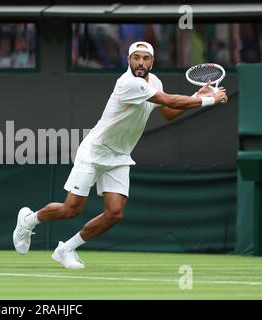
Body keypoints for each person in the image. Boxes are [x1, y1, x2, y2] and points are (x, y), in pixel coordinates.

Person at [13, 41, 228, 269]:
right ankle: (28, 221)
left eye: (145, 58)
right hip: (94, 152)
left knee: (114, 213)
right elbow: (170, 100)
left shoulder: (154, 82)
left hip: (119, 156)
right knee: (71, 210)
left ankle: (66, 249)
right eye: (136, 58)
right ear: (129, 60)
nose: (141, 62)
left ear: (152, 62)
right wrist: (208, 99)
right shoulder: (128, 83)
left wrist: (196, 95)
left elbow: (169, 112)